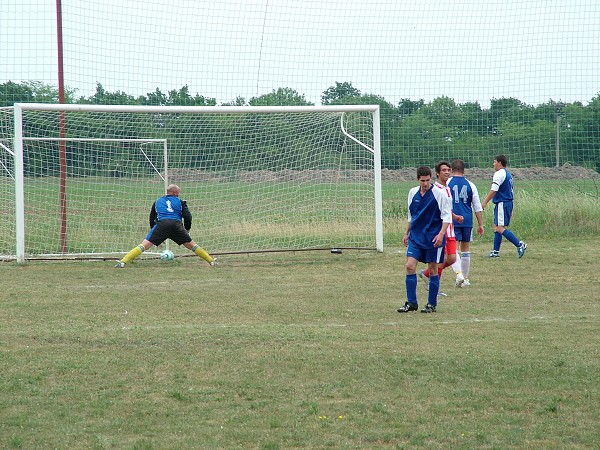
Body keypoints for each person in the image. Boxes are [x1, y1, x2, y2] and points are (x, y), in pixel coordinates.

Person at [115, 184, 217, 268]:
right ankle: (211, 261)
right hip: (176, 225)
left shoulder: (157, 201)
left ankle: (123, 262)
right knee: (192, 245)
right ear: (175, 193)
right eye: (179, 193)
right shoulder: (181, 202)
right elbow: (188, 217)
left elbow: (151, 218)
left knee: (144, 245)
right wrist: (187, 230)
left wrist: (154, 233)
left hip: (162, 225)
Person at [398, 166, 452, 314]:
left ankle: (432, 304)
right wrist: (406, 233)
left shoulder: (440, 194)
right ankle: (411, 303)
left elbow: (447, 217)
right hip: (416, 236)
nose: (425, 183)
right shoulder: (412, 192)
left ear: (431, 178)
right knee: (409, 266)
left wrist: (441, 234)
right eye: (422, 181)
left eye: (428, 180)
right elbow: (412, 216)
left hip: (433, 238)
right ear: (418, 179)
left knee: (433, 269)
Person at [418, 161, 460, 295]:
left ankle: (426, 274)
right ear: (437, 173)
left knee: (452, 258)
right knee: (440, 260)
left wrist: (455, 216)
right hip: (441, 229)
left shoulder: (447, 188)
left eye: (449, 170)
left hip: (450, 228)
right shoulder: (435, 189)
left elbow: (446, 209)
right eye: (444, 170)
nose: (447, 172)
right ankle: (435, 288)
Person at [481, 154, 527, 258]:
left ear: (499, 163)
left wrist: (485, 202)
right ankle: (495, 251)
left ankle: (520, 244)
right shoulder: (508, 174)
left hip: (502, 202)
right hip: (507, 202)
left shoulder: (499, 174)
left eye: (494, 162)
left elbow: (494, 190)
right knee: (497, 227)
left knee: (500, 228)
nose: (493, 164)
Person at [447, 159, 484, 286]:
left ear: (451, 170)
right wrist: (480, 224)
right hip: (467, 220)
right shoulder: (471, 185)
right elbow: (477, 207)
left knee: (453, 249)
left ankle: (460, 275)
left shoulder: (447, 183)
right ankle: (465, 279)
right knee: (466, 249)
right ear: (464, 171)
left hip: (452, 220)